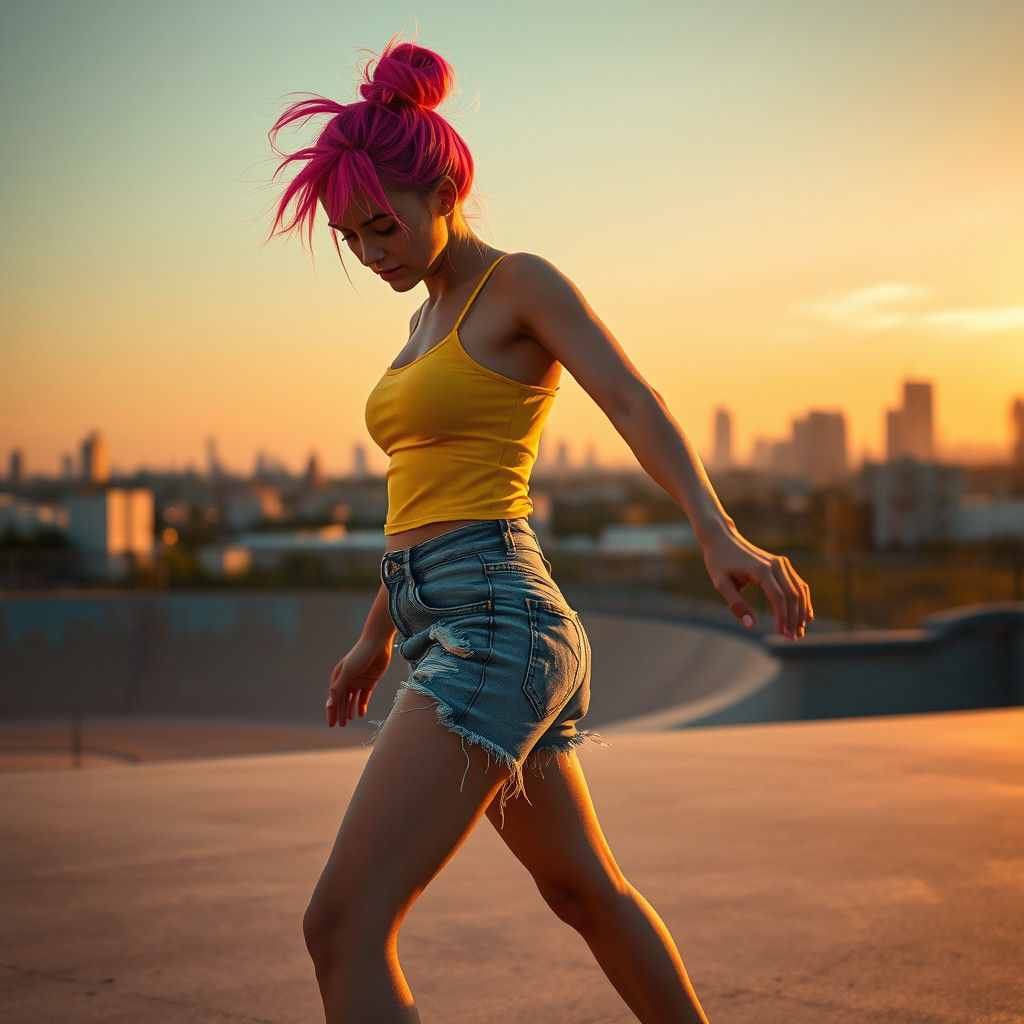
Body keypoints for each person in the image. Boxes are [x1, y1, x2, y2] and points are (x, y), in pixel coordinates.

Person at [266, 34, 812, 1024]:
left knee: (341, 924)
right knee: (583, 892)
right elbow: (418, 501)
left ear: (445, 193)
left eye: (383, 226)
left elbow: (632, 400)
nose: (371, 253)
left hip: (496, 623)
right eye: (352, 239)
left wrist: (716, 530)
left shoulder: (516, 284)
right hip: (443, 619)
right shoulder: (420, 323)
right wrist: (375, 635)